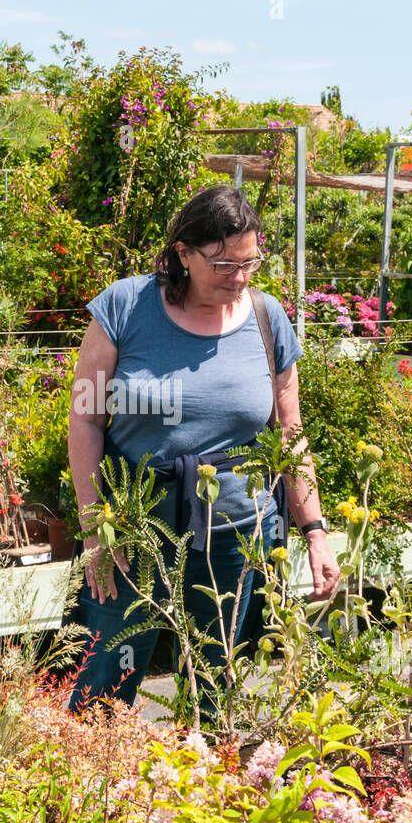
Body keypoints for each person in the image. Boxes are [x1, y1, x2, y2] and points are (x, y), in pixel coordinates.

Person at [67, 185, 340, 721]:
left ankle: (205, 788)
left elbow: (290, 431)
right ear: (183, 253)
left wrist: (314, 530)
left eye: (248, 262)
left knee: (216, 685)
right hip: (132, 527)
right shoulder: (126, 307)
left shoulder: (266, 319)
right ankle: (86, 788)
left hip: (236, 531)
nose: (238, 277)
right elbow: (86, 417)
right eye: (222, 263)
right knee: (105, 678)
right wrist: (93, 521)